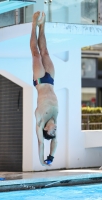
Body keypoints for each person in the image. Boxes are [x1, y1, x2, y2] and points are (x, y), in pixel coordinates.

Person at [30, 11, 58, 166]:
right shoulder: (55, 120)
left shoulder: (40, 121)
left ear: (46, 129)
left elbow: (41, 143)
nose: (55, 131)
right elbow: (55, 143)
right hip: (51, 80)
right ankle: (42, 26)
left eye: (52, 132)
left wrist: (42, 161)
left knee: (36, 55)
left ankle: (34, 23)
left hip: (40, 81)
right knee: (45, 51)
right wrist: (51, 158)